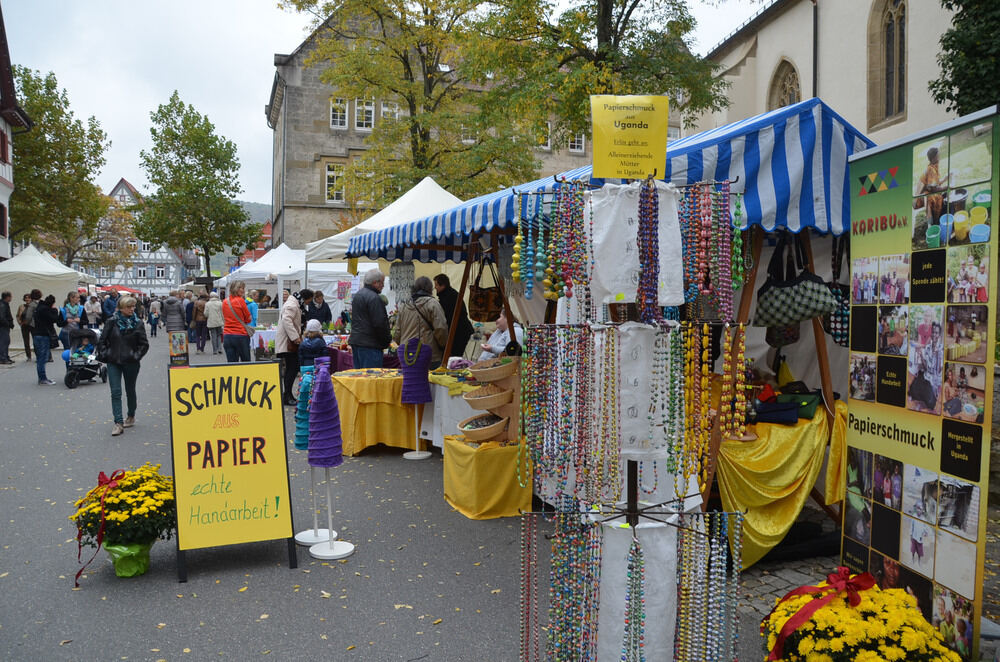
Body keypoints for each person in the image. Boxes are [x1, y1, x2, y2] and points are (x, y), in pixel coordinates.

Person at [96, 295, 149, 436]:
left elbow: (144, 344)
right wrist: (107, 354)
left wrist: (135, 356)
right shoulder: (111, 322)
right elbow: (102, 341)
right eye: (129, 307)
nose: (132, 309)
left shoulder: (137, 323)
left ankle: (131, 415)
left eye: (133, 306)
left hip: (131, 362)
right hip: (114, 362)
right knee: (115, 392)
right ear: (120, 308)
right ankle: (118, 423)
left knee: (130, 390)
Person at [393, 276, 448, 369]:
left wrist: (401, 345)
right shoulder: (433, 304)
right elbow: (441, 328)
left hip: (406, 353)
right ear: (430, 289)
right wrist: (443, 345)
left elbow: (397, 332)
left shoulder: (404, 305)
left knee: (409, 380)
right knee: (428, 381)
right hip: (427, 352)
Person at [348, 269, 391, 368]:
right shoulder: (374, 298)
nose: (383, 285)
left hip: (357, 341)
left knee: (360, 377)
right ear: (375, 282)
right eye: (382, 282)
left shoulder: (358, 295)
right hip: (370, 344)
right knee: (371, 379)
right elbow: (380, 323)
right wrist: (386, 340)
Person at [276, 288, 312, 406]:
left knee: (292, 369)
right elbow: (287, 320)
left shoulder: (294, 303)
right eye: (309, 301)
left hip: (289, 343)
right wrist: (295, 337)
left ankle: (288, 395)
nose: (308, 303)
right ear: (305, 298)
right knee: (291, 369)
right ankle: (287, 396)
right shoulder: (292, 304)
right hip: (289, 343)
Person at [433, 274, 473, 358]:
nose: (435, 287)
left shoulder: (448, 298)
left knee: (454, 358)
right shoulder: (450, 294)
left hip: (458, 333)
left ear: (443, 285)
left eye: (436, 285)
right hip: (460, 332)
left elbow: (447, 318)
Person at [32, 293, 62, 385]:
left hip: (37, 334)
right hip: (43, 334)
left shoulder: (39, 308)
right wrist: (55, 310)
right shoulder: (45, 310)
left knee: (41, 357)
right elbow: (54, 319)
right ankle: (42, 378)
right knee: (43, 357)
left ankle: (42, 377)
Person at [222, 280, 253, 362]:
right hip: (240, 335)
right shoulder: (240, 301)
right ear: (234, 289)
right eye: (240, 287)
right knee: (245, 362)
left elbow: (224, 317)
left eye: (243, 288)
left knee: (232, 364)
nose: (242, 290)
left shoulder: (225, 302)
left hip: (227, 335)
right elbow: (248, 318)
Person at [916, 146, 949, 225]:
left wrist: (945, 179)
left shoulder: (933, 167)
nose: (939, 157)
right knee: (937, 197)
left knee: (940, 195)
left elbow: (934, 185)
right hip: (919, 199)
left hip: (926, 194)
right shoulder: (931, 169)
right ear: (934, 158)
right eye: (938, 156)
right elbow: (933, 189)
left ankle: (938, 217)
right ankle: (935, 222)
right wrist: (946, 187)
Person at [17, 292, 37, 361]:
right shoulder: (21, 306)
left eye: (29, 298)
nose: (27, 299)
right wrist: (20, 322)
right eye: (26, 298)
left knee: (35, 340)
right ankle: (28, 356)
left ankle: (37, 354)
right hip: (24, 325)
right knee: (26, 341)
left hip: (32, 325)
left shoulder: (33, 306)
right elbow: (18, 315)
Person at [0, 291, 13, 364]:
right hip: (3, 327)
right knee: (3, 342)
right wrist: (7, 323)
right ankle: (3, 358)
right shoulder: (2, 305)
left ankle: (6, 357)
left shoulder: (5, 304)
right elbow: (1, 317)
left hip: (4, 326)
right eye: (10, 296)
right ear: (7, 297)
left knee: (6, 342)